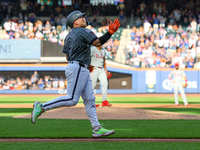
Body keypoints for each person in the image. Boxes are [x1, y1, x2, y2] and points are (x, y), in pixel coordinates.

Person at [31, 10, 120, 138]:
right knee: (72, 99)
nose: (84, 18)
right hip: (78, 67)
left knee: (90, 99)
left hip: (77, 66)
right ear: (75, 21)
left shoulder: (68, 36)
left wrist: (85, 63)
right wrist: (110, 33)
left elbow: (67, 56)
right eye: (81, 17)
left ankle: (96, 128)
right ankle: (42, 106)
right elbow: (98, 43)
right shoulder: (83, 31)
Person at [90, 35, 112, 107]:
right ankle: (91, 102)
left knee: (105, 83)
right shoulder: (93, 49)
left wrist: (106, 70)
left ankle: (104, 101)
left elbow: (104, 60)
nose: (102, 43)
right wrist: (89, 66)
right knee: (92, 85)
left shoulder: (103, 51)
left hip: (101, 69)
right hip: (94, 68)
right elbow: (87, 57)